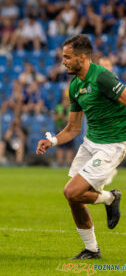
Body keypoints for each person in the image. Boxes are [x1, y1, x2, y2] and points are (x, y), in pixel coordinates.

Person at [36, 35, 124, 259]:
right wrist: (53, 141)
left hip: (112, 144)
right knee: (73, 198)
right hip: (90, 143)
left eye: (67, 57)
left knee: (71, 191)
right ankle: (92, 250)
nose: (63, 61)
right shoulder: (75, 85)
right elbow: (74, 128)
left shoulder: (102, 77)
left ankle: (110, 198)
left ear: (82, 58)